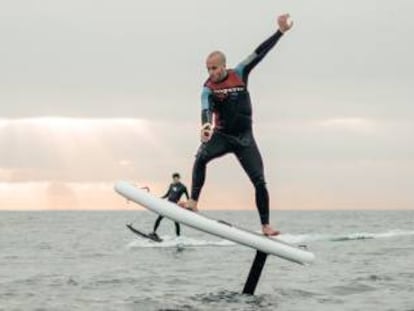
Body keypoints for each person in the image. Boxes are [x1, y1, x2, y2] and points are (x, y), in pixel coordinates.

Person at [184, 14, 293, 236]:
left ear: (224, 65)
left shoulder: (240, 72)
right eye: (208, 69)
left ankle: (265, 226)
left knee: (260, 181)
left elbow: (259, 53)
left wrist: (280, 32)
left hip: (245, 138)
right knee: (201, 157)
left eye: (214, 68)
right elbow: (205, 111)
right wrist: (206, 128)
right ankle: (194, 201)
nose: (211, 73)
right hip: (222, 136)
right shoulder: (207, 89)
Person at [151, 173, 189, 238]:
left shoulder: (183, 187)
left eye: (177, 178)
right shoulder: (171, 185)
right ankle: (153, 232)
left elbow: (188, 197)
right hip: (167, 205)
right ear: (173, 178)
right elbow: (167, 194)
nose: (175, 179)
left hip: (174, 206)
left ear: (179, 178)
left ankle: (178, 237)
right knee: (159, 218)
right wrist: (159, 198)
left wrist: (187, 205)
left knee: (176, 222)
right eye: (174, 178)